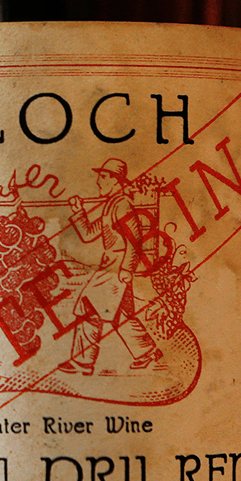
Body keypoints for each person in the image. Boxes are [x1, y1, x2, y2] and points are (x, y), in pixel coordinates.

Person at [59, 157, 162, 374]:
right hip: (112, 267)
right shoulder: (111, 206)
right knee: (119, 315)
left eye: (103, 177)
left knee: (88, 308)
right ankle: (147, 351)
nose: (98, 181)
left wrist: (127, 269)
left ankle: (82, 362)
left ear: (116, 180)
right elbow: (88, 234)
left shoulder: (122, 205)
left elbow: (134, 240)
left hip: (116, 269)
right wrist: (78, 211)